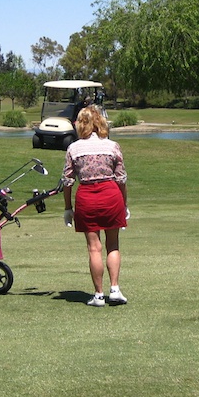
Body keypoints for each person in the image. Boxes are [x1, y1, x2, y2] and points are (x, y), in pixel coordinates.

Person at [62, 105, 130, 306]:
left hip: (86, 198)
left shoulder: (73, 148)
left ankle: (99, 295)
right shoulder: (112, 146)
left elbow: (67, 181)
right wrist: (124, 205)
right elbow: (121, 179)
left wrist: (67, 208)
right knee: (113, 244)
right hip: (111, 196)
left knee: (94, 248)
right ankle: (115, 289)